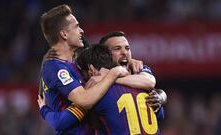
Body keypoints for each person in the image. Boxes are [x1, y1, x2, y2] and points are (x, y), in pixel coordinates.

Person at [39, 4, 128, 134]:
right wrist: (114, 73)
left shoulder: (73, 66)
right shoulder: (55, 67)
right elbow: (85, 100)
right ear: (64, 34)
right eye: (76, 26)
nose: (81, 31)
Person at [38, 44, 164, 134]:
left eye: (83, 75)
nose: (82, 80)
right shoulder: (140, 88)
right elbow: (160, 114)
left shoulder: (96, 95)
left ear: (91, 70)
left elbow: (60, 122)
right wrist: (161, 95)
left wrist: (43, 108)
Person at [99, 31, 166, 113]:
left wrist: (110, 78)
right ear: (104, 55)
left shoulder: (139, 70)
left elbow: (150, 82)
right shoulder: (98, 80)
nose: (124, 53)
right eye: (117, 48)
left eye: (127, 48)